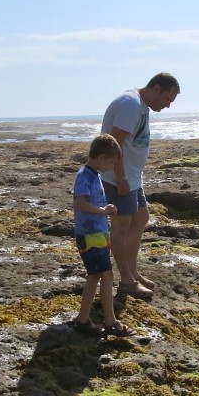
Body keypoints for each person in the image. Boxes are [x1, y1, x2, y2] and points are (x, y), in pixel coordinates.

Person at [100, 72, 181, 298]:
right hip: (118, 178)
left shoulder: (140, 105)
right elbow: (112, 144)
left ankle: (133, 272)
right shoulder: (130, 104)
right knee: (121, 225)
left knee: (141, 217)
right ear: (156, 89)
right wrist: (121, 178)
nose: (167, 106)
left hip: (133, 177)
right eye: (167, 99)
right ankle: (126, 281)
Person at [72, 134, 135, 338]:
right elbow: (80, 203)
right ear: (100, 157)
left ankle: (82, 319)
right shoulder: (84, 176)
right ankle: (110, 322)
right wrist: (103, 211)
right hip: (89, 235)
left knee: (94, 276)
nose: (112, 166)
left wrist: (107, 210)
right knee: (106, 275)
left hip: (98, 234)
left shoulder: (95, 174)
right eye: (111, 161)